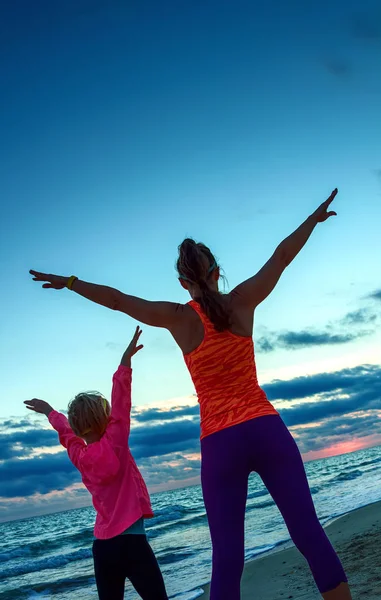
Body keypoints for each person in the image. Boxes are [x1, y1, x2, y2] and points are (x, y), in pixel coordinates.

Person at [29, 189, 352, 600]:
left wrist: (70, 282)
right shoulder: (243, 300)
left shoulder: (179, 318)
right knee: (308, 532)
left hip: (220, 444)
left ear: (183, 282)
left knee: (228, 559)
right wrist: (312, 219)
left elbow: (117, 301)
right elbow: (282, 256)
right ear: (217, 271)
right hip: (266, 429)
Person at [24, 327, 168, 600]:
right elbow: (121, 400)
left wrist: (50, 412)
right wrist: (125, 362)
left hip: (103, 548)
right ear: (106, 419)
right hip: (133, 544)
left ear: (79, 427)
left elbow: (65, 434)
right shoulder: (116, 441)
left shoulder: (78, 454)